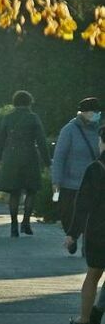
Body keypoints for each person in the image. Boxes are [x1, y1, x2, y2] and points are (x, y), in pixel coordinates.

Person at [67, 128, 105, 324]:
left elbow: (83, 204)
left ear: (102, 142)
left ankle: (84, 318)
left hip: (99, 230)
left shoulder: (95, 168)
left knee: (93, 275)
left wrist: (73, 233)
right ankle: (98, 311)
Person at [0, 91, 50, 237]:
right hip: (29, 157)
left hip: (11, 157)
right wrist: (47, 161)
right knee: (31, 191)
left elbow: (0, 139)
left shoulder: (8, 118)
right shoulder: (33, 118)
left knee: (14, 192)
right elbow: (41, 141)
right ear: (29, 102)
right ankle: (25, 222)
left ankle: (14, 225)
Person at [52, 97, 102, 235]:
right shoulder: (69, 130)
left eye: (98, 111)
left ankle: (86, 243)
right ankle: (71, 236)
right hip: (71, 183)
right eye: (94, 111)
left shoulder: (100, 131)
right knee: (69, 215)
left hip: (92, 182)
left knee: (90, 216)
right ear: (84, 113)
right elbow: (59, 157)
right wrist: (56, 181)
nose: (97, 114)